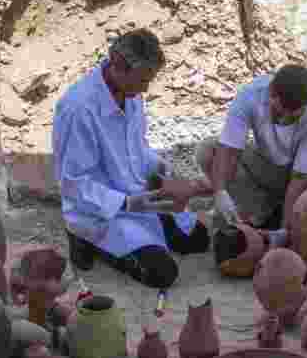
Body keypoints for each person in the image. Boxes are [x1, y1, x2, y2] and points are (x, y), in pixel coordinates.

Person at [52, 28, 210, 289]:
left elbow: (135, 149)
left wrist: (162, 168)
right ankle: (85, 241)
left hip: (137, 198)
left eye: (150, 79)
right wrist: (126, 203)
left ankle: (138, 232)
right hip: (100, 212)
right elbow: (73, 183)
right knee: (163, 273)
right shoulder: (78, 109)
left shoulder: (131, 93)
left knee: (199, 239)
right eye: (142, 80)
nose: (146, 88)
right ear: (118, 66)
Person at [196, 64, 307, 246]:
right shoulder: (250, 96)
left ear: (305, 106)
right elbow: (229, 150)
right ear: (271, 93)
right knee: (208, 151)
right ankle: (259, 210)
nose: (283, 121)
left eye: (292, 118)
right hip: (270, 167)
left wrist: (285, 233)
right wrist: (220, 192)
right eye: (278, 113)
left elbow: (300, 178)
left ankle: (301, 218)